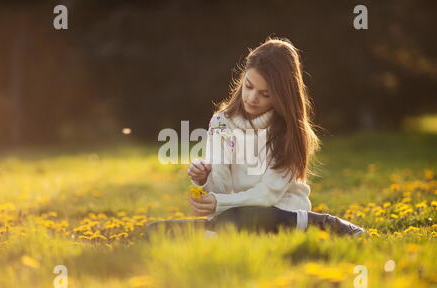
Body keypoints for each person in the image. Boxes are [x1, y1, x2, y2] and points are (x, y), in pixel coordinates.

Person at [144, 36, 366, 242]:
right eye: (248, 86)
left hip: (282, 213)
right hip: (237, 213)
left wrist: (220, 204)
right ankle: (217, 233)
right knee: (154, 230)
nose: (252, 98)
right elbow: (219, 191)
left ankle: (326, 223)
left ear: (281, 95)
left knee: (237, 219)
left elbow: (267, 195)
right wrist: (202, 179)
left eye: (265, 94)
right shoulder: (221, 123)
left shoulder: (290, 132)